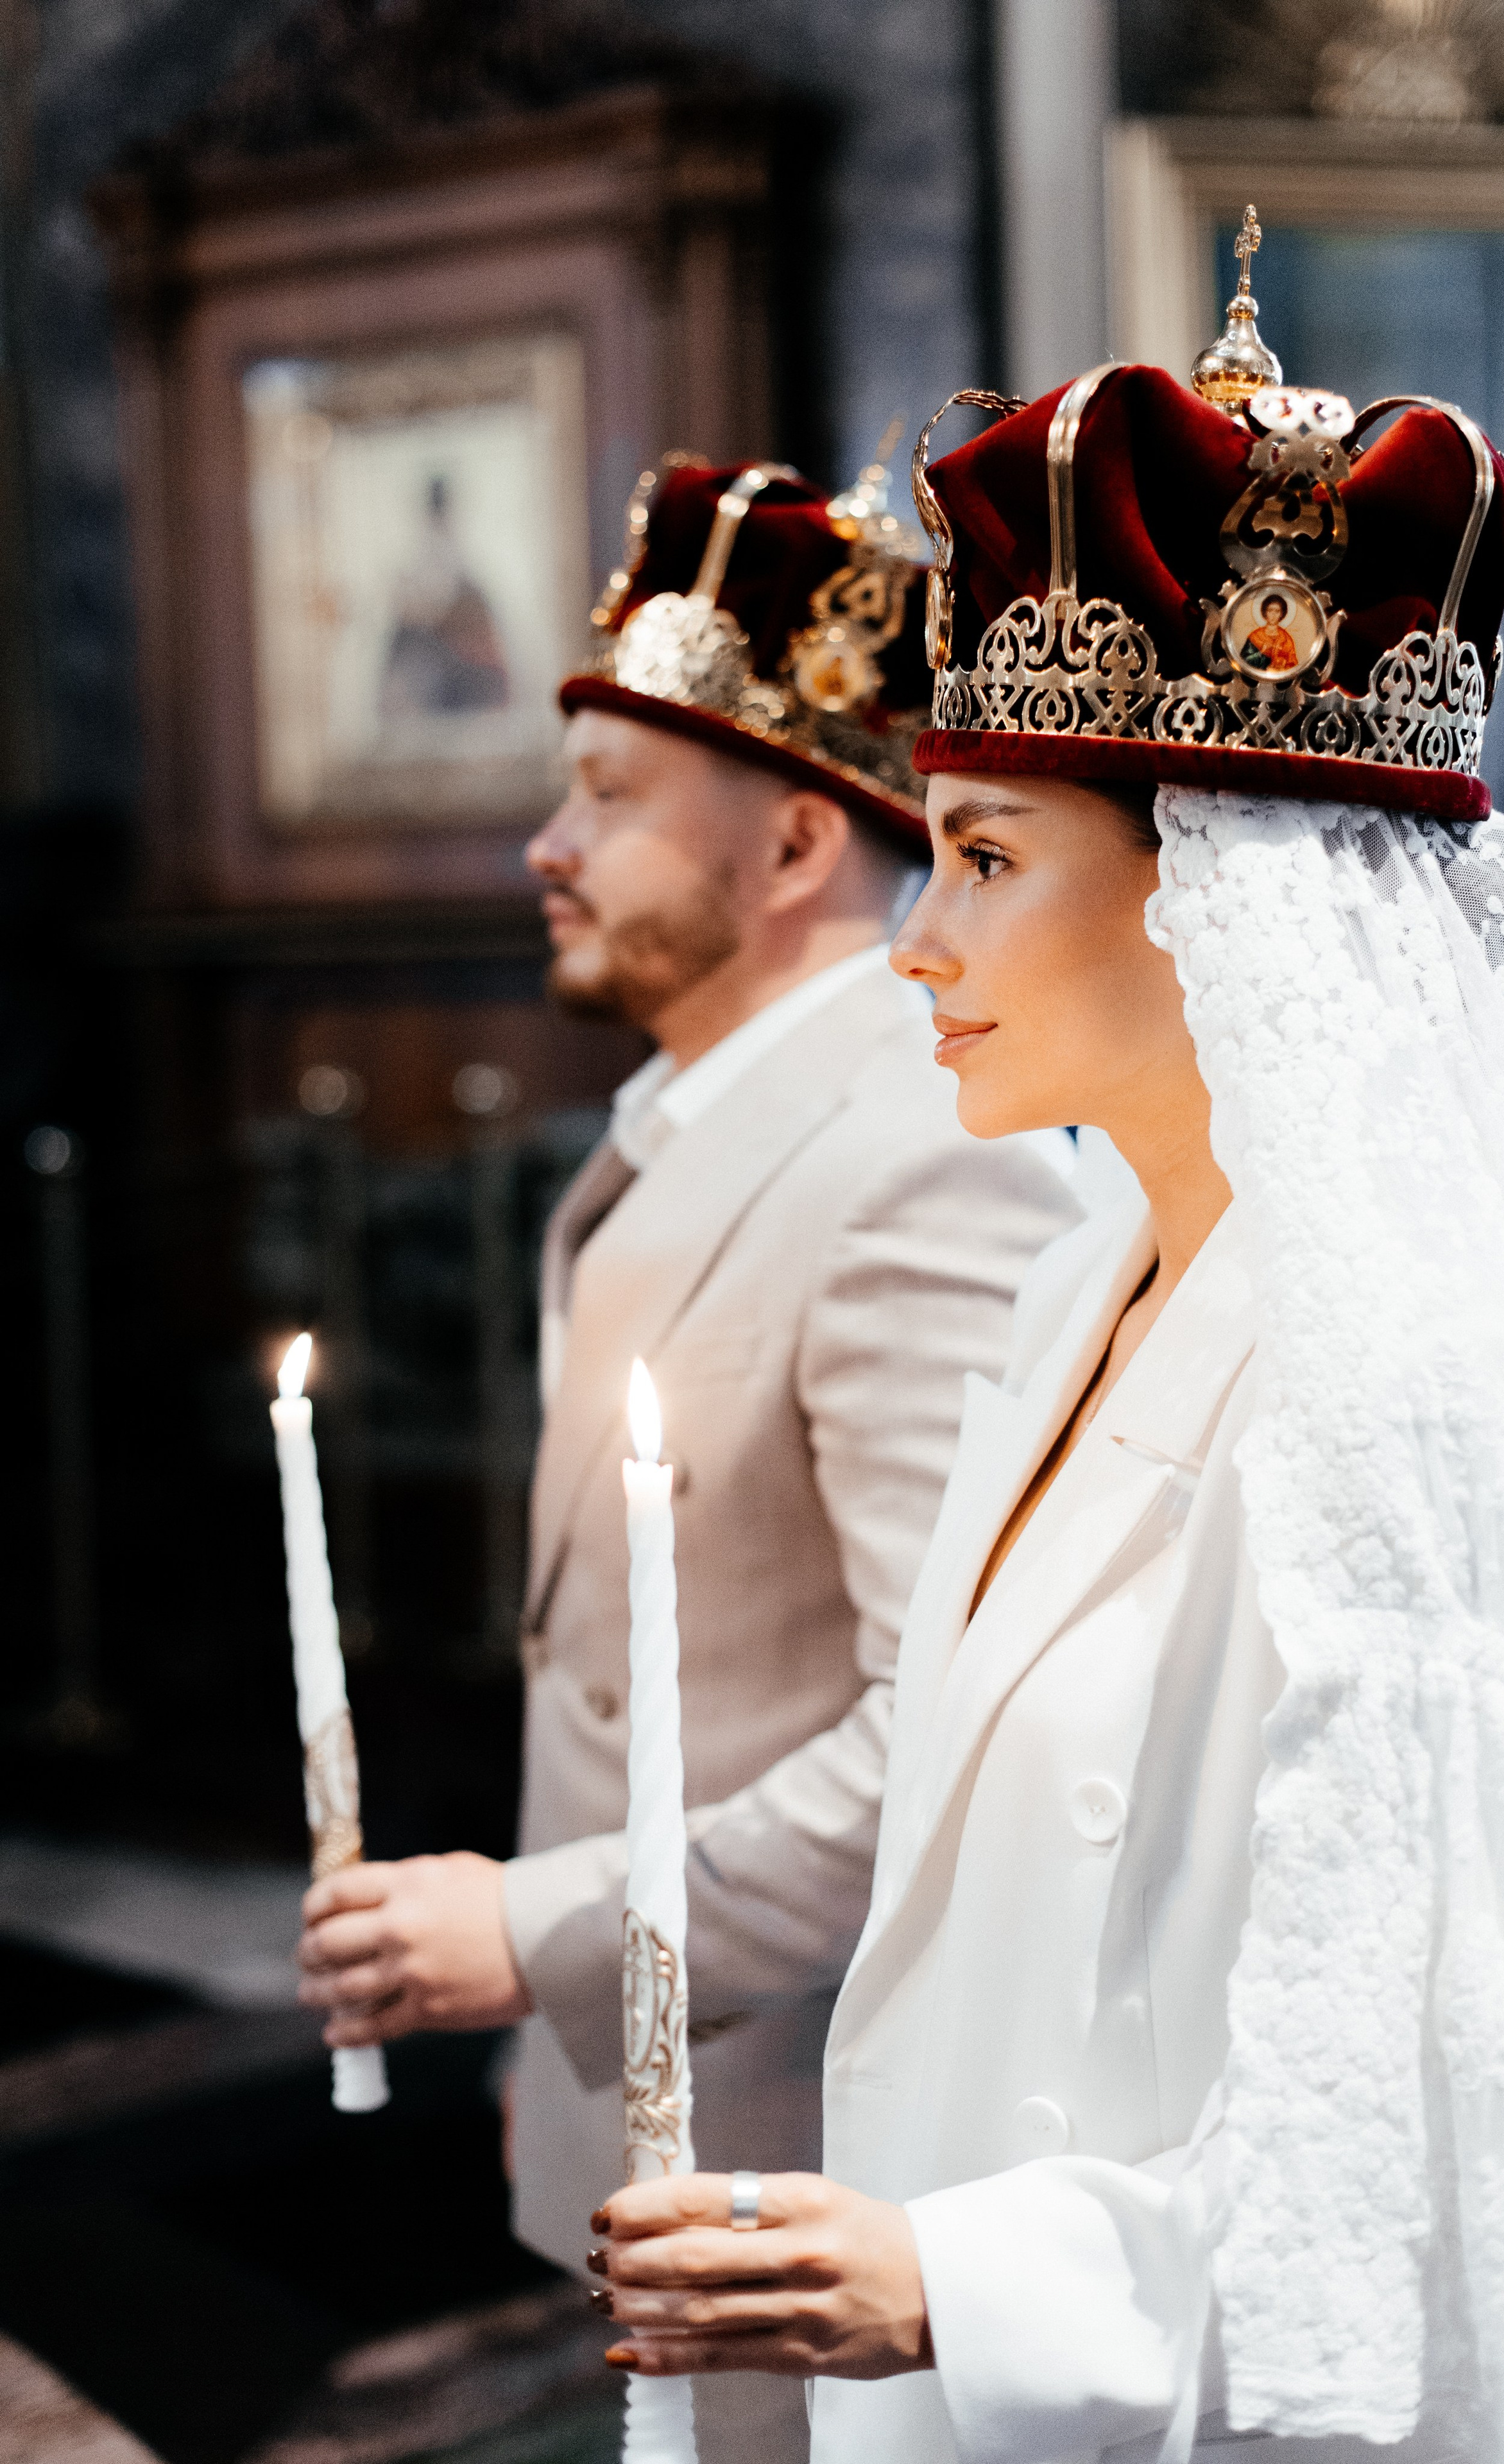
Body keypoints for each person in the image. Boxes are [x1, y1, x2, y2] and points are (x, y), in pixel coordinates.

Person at [586, 357, 1504, 2458]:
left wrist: (956, 2284)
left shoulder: (1416, 1395)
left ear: (1229, 887)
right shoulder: (1082, 1290)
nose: (917, 945)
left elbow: (1475, 2138)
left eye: (982, 859)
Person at [298, 451, 1082, 2462]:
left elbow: (957, 1736)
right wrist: (562, 2041)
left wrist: (536, 1936)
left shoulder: (924, 1157)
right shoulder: (698, 1114)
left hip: (812, 2140)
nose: (546, 846)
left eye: (608, 796)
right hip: (665, 2066)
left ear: (799, 839)